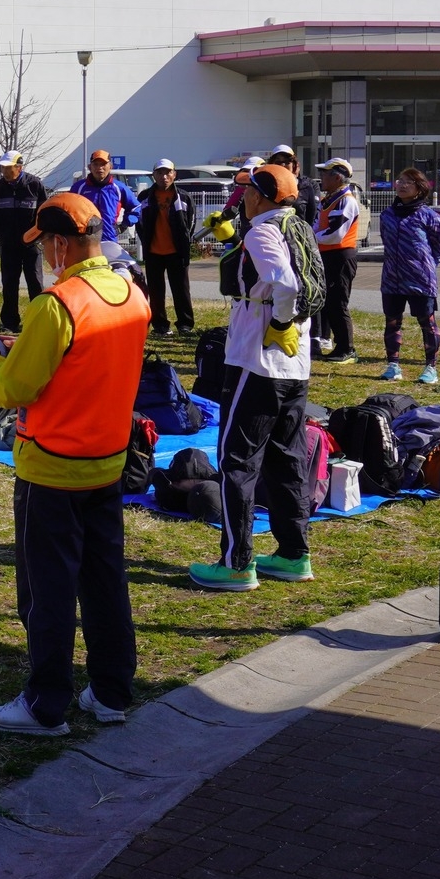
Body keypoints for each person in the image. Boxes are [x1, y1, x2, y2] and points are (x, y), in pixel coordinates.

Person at [0, 194, 147, 736]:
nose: (43, 256)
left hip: (51, 467)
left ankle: (45, 703)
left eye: (44, 245)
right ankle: (111, 691)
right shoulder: (132, 295)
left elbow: (16, 388)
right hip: (107, 461)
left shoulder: (57, 304)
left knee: (47, 590)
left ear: (58, 244)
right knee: (105, 580)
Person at [192, 163, 314, 592]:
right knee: (287, 458)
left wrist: (278, 322)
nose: (241, 197)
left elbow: (285, 284)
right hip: (294, 361)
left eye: (245, 191)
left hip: (257, 360)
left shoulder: (264, 231)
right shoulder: (294, 225)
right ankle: (294, 554)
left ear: (259, 197)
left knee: (237, 461)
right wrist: (232, 240)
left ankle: (236, 562)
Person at [378, 167, 440, 385]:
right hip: (392, 278)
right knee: (392, 322)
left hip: (420, 279)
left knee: (427, 322)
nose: (402, 185)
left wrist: (424, 266)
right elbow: (386, 242)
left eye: (408, 182)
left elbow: (438, 247)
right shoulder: (387, 215)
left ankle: (431, 367)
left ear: (419, 188)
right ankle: (393, 366)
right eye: (400, 180)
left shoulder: (429, 216)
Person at [0, 150, 47, 332]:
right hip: (8, 245)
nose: (4, 171)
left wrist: (36, 236)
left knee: (35, 283)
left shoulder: (35, 185)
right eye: (2, 168)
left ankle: (38, 321)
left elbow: (45, 214)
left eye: (8, 167)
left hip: (32, 246)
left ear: (19, 167)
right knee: (9, 284)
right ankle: (10, 323)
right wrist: (1, 234)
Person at [312, 158, 363, 364]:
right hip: (327, 255)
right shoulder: (328, 199)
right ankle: (339, 346)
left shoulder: (346, 201)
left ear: (337, 177)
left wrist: (311, 238)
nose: (321, 177)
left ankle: (347, 349)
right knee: (329, 303)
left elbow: (336, 234)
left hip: (341, 256)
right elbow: (317, 225)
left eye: (325, 173)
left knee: (338, 303)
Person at [136, 159, 196, 337]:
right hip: (153, 252)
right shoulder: (145, 197)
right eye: (160, 173)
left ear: (174, 174)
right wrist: (147, 242)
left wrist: (185, 244)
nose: (164, 176)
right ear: (154, 175)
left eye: (168, 172)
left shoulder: (183, 197)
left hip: (177, 253)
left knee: (181, 290)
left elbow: (191, 223)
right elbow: (139, 223)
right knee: (156, 293)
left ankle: (185, 324)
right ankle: (160, 325)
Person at [73, 151, 138, 244]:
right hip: (85, 241)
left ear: (110, 166)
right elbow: (68, 211)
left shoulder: (118, 188)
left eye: (103, 164)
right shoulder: (79, 188)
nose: (100, 168)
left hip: (109, 240)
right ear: (90, 167)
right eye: (96, 164)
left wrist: (123, 226)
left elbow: (135, 207)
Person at [266, 145, 320, 225]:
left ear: (294, 165)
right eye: (278, 162)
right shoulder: (265, 187)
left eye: (287, 162)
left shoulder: (306, 187)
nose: (283, 165)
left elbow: (312, 219)